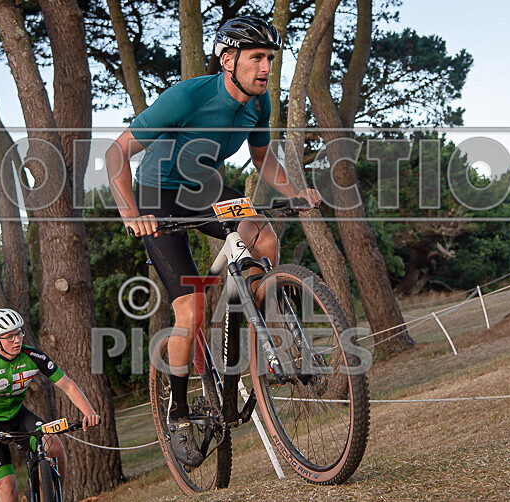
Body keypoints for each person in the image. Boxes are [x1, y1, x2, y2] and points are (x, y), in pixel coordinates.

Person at [105, 16, 321, 467]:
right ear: (228, 60)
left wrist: (295, 192)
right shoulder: (188, 96)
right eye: (256, 57)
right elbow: (116, 152)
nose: (266, 67)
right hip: (158, 196)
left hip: (206, 189)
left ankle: (269, 343)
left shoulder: (259, 102)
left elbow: (263, 158)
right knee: (192, 309)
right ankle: (179, 412)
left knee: (263, 239)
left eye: (270, 58)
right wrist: (131, 214)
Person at [0, 308, 101, 502]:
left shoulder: (32, 356)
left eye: (19, 333)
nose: (17, 340)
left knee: (54, 447)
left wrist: (89, 413)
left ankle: (54, 498)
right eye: (10, 337)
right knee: (7, 487)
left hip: (18, 416)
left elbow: (68, 385)